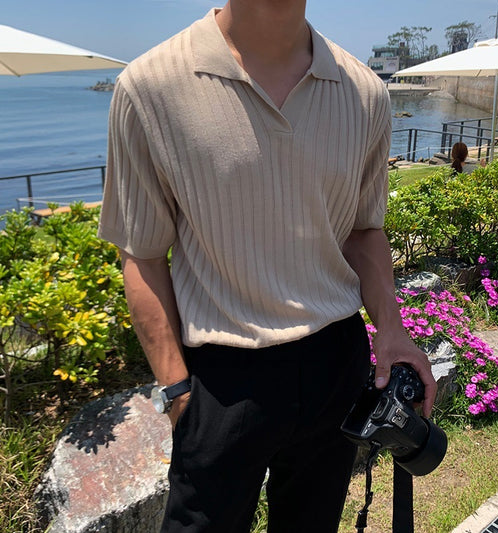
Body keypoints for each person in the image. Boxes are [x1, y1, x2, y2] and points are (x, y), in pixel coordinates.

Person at [98, 1, 437, 532]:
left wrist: (391, 331)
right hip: (220, 375)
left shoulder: (364, 92)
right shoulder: (150, 87)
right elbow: (141, 253)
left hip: (336, 359)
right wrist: (177, 390)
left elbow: (363, 228)